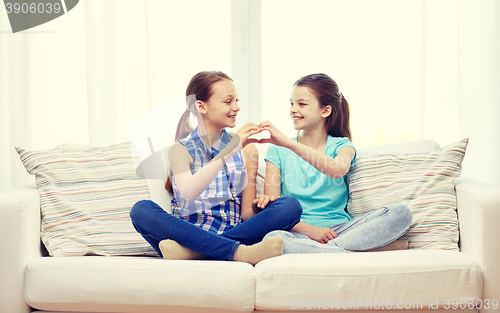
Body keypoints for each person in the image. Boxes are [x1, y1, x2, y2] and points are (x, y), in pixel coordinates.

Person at [130, 71, 302, 264]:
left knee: (290, 206)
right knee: (141, 210)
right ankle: (238, 253)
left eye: (237, 100)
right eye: (228, 102)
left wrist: (260, 205)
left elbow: (246, 213)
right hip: (187, 233)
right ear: (201, 106)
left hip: (233, 231)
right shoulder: (180, 150)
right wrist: (230, 149)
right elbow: (188, 191)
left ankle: (196, 252)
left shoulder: (247, 150)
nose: (236, 107)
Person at [260, 73, 412, 253]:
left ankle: (327, 251)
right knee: (273, 239)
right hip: (298, 231)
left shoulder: (343, 146)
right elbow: (274, 210)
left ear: (325, 110)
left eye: (301, 104)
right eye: (291, 103)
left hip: (341, 230)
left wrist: (289, 143)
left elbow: (337, 169)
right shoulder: (277, 150)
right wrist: (311, 231)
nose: (293, 109)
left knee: (401, 213)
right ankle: (348, 252)